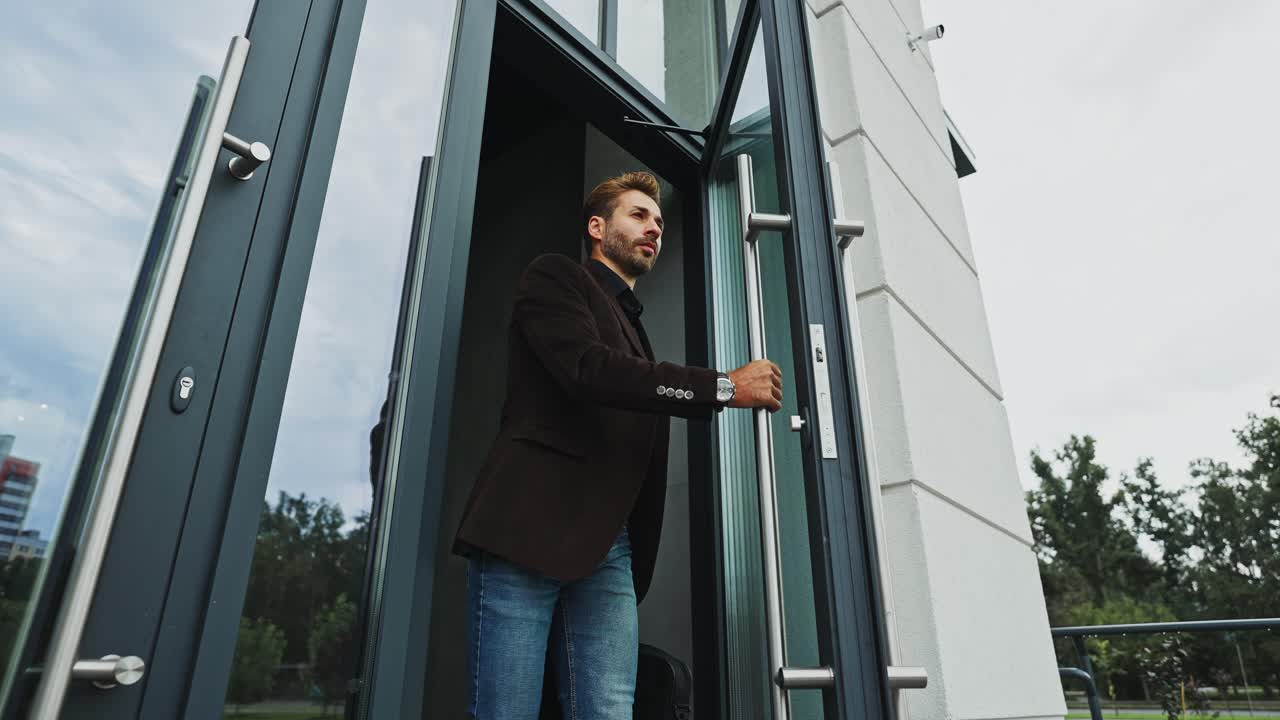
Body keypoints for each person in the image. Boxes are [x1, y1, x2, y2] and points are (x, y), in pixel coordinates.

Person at [452, 171, 782, 719]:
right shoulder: (555, 277)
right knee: (505, 711)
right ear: (597, 227)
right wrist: (722, 386)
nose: (653, 227)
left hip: (610, 551)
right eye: (637, 215)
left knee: (607, 710)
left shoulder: (635, 328)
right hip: (527, 527)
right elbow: (589, 370)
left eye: (657, 220)